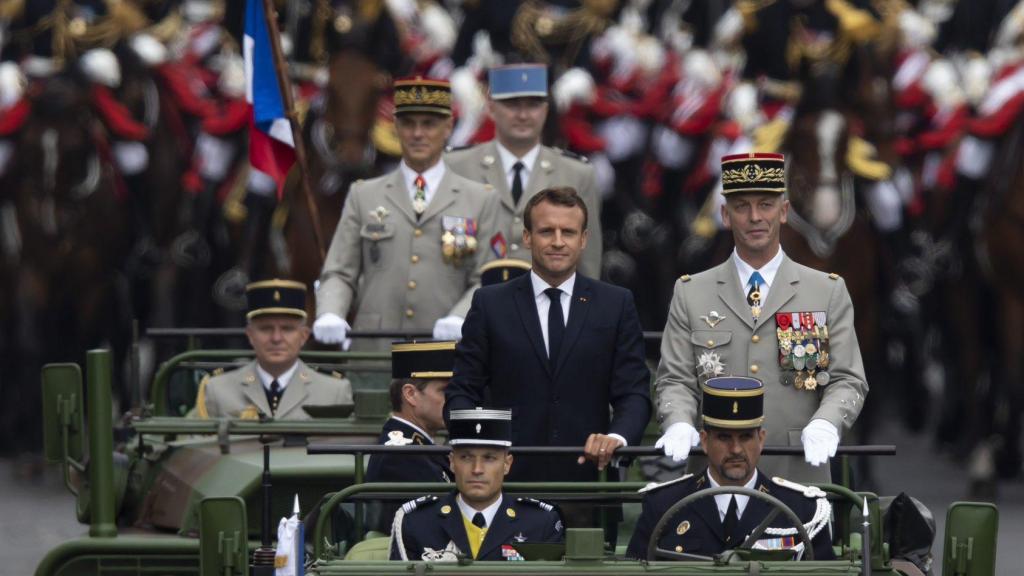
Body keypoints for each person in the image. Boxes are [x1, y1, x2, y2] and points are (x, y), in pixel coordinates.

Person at [654, 152, 868, 482]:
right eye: (742, 206)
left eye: (766, 205)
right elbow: (674, 380)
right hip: (714, 477)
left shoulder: (826, 291)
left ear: (784, 212)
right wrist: (678, 421)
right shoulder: (691, 292)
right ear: (725, 215)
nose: (755, 217)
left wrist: (828, 421)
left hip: (797, 475)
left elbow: (848, 379)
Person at [445, 187, 650, 484]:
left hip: (589, 482)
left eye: (568, 232)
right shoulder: (491, 304)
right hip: (506, 486)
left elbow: (633, 391)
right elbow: (462, 390)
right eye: (546, 231)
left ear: (583, 239)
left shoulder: (615, 304)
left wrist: (616, 438)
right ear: (527, 237)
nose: (557, 242)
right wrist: (481, 447)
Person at [313, 77, 500, 350]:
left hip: (448, 354)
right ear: (395, 127)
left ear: (448, 127)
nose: (418, 134)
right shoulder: (363, 195)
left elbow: (489, 277)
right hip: (375, 352)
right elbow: (340, 271)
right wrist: (331, 311)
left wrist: (463, 315)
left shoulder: (480, 199)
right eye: (408, 123)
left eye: (429, 124)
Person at [627, 376, 834, 561]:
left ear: (761, 440)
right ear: (705, 441)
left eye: (745, 437)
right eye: (724, 438)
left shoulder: (800, 510)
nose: (736, 449)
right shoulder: (664, 505)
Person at [446, 63, 603, 281]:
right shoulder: (459, 166)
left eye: (533, 104)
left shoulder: (576, 174)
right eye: (512, 104)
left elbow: (588, 263)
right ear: (491, 108)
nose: (523, 115)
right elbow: (448, 256)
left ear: (546, 109)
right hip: (474, 305)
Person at [389, 408, 564, 561]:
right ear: (451, 462)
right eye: (466, 457)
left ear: (507, 464)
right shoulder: (416, 522)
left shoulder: (540, 523)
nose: (477, 469)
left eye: (489, 458)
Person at [196, 279, 353, 420]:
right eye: (265, 329)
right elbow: (197, 448)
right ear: (250, 335)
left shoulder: (334, 391)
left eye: (287, 329)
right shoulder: (218, 389)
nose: (276, 338)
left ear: (304, 336)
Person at [365, 340, 456, 533]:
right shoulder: (402, 456)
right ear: (410, 394)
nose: (454, 399)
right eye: (445, 391)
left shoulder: (417, 448)